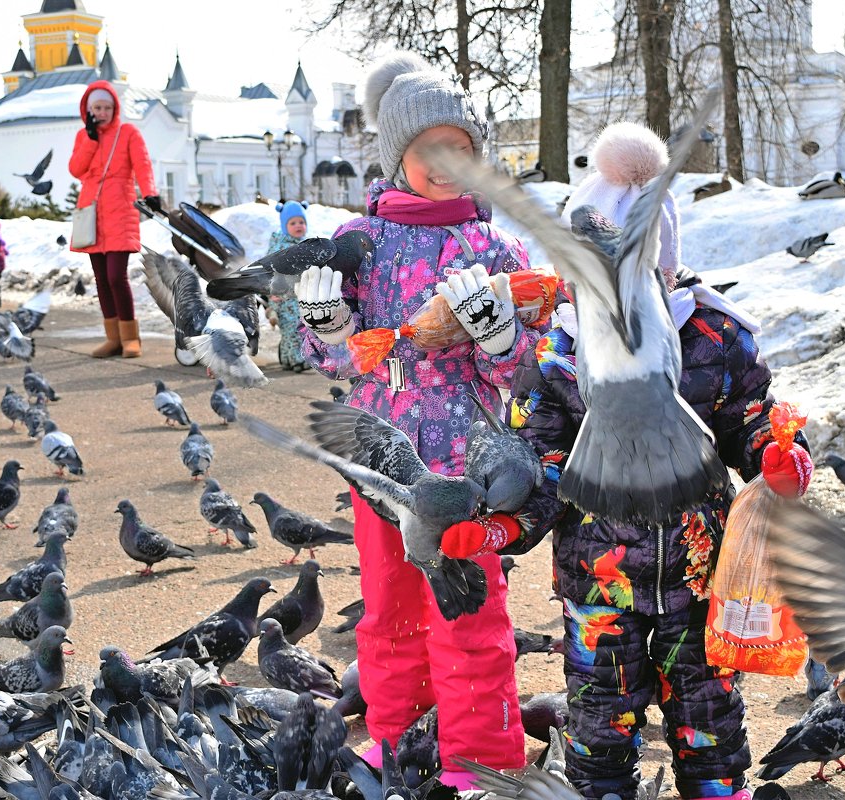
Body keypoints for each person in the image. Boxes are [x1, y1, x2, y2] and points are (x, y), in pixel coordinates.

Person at [441, 122, 813, 800]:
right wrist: (504, 527)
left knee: (709, 719)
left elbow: (748, 416)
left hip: (702, 578)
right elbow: (542, 461)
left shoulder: (710, 333)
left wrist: (777, 457)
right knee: (599, 725)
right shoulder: (560, 352)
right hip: (597, 582)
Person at [297, 52, 535, 789]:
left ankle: (480, 760)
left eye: (462, 150)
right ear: (398, 156)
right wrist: (329, 327)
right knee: (390, 613)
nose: (447, 164)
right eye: (430, 149)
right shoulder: (361, 246)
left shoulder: (493, 247)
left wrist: (502, 338)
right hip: (382, 471)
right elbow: (338, 365)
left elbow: (525, 377)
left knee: (468, 619)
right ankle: (400, 740)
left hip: (464, 474)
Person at [68, 79, 161, 358]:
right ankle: (114, 339)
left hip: (120, 208)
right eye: (97, 107)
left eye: (107, 107)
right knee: (100, 278)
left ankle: (131, 338)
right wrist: (90, 141)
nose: (102, 112)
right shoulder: (83, 136)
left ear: (114, 108)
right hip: (91, 211)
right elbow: (76, 169)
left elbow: (142, 164)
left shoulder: (128, 132)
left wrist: (150, 193)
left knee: (115, 276)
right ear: (88, 109)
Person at [266, 200, 310, 371]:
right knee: (291, 328)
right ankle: (296, 360)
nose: (298, 226)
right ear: (285, 226)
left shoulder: (306, 244)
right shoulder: (280, 247)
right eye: (292, 223)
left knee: (299, 327)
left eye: (301, 222)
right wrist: (273, 292)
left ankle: (287, 359)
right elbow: (271, 270)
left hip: (299, 296)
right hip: (283, 296)